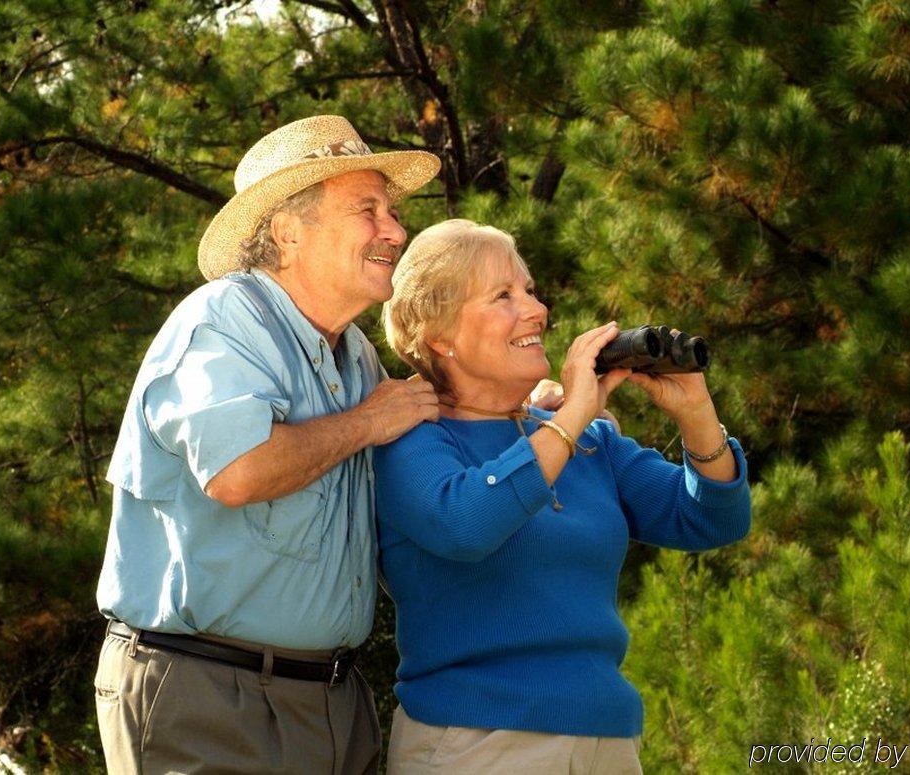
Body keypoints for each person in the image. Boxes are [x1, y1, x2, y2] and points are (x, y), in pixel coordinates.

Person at [93, 115, 441, 774]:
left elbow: (411, 445)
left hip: (331, 701)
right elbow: (239, 470)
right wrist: (367, 422)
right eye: (368, 210)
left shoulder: (357, 355)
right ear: (288, 231)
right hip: (209, 699)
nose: (395, 231)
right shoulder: (222, 320)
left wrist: (523, 415)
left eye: (391, 212)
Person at [376, 219, 752, 773]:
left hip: (609, 739)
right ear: (440, 336)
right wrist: (575, 413)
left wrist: (696, 414)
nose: (535, 309)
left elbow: (712, 520)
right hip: (476, 742)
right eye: (503, 295)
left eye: (528, 290)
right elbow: (466, 523)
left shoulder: (590, 441)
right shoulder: (413, 439)